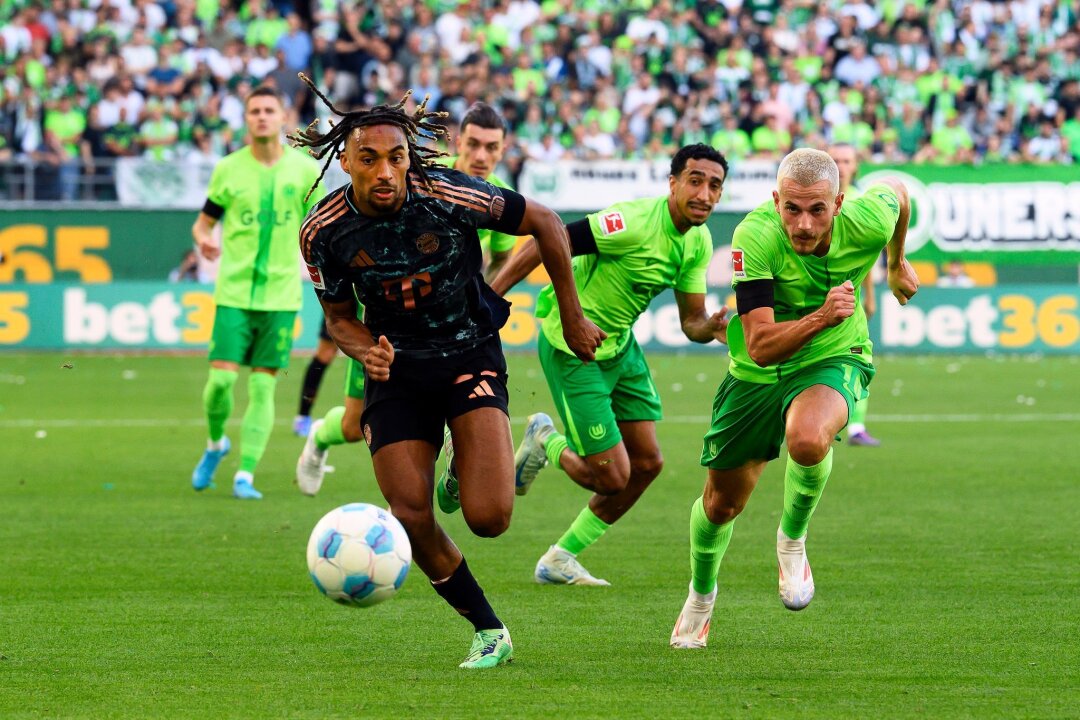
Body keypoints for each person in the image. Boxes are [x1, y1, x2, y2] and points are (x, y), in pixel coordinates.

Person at [290, 78, 605, 668]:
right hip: (398, 369)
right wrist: (364, 350)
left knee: (489, 520)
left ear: (411, 157)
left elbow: (546, 220)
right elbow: (338, 318)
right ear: (346, 161)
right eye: (370, 159)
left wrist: (572, 311)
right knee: (410, 513)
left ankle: (472, 458)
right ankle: (489, 630)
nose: (386, 171)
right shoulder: (322, 230)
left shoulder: (449, 192)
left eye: (397, 158)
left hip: (468, 354)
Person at [669, 148, 918, 649]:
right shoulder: (754, 237)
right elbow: (760, 346)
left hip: (833, 354)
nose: (804, 225)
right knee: (720, 506)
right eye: (793, 209)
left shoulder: (866, 219)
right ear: (776, 200)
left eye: (818, 210)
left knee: (807, 440)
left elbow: (900, 194)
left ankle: (792, 540)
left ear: (839, 203)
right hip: (758, 370)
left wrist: (897, 261)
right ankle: (701, 594)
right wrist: (821, 316)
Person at [474, 144, 730, 586]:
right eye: (695, 180)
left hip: (620, 349)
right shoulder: (631, 222)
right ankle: (545, 440)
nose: (705, 193)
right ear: (672, 183)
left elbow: (690, 321)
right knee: (611, 479)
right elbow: (549, 236)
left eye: (715, 186)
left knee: (647, 464)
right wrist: (490, 296)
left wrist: (713, 327)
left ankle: (559, 559)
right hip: (572, 349)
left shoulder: (698, 240)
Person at [190, 86, 324, 500]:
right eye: (254, 111)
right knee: (219, 385)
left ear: (283, 117)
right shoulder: (228, 169)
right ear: (246, 119)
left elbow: (321, 224)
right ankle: (216, 445)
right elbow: (203, 223)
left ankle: (245, 473)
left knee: (263, 389)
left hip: (282, 296)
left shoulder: (304, 171)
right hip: (233, 292)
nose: (262, 117)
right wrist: (204, 240)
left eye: (269, 110)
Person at [828, 143, 880, 447]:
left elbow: (867, 258)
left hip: (851, 294)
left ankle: (856, 427)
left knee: (858, 358)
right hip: (812, 293)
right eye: (835, 160)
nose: (842, 165)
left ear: (855, 166)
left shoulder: (862, 201)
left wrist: (869, 296)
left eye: (847, 160)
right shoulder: (815, 198)